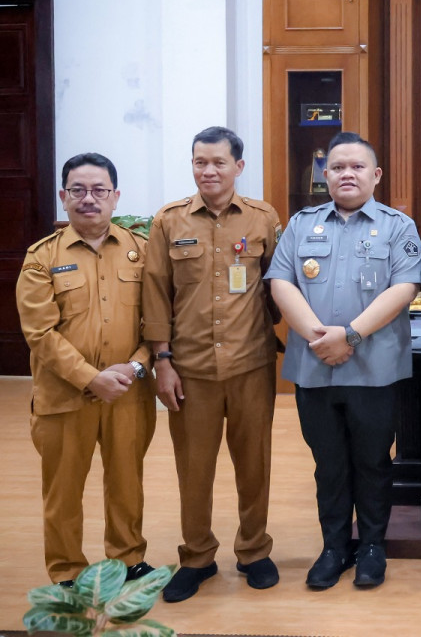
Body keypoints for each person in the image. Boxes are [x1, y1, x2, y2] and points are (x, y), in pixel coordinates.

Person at [267, 132, 421, 590]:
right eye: (337, 167)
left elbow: (405, 287)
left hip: (375, 369)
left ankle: (372, 546)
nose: (347, 174)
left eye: (357, 167)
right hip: (315, 367)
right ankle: (334, 547)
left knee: (373, 462)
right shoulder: (301, 225)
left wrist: (349, 335)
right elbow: (281, 283)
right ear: (325, 174)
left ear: (376, 175)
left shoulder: (397, 226)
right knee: (329, 463)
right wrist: (320, 338)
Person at [142, 126, 282, 602]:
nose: (208, 171)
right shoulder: (169, 221)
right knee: (194, 469)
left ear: (238, 167)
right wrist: (162, 360)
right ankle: (197, 557)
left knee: (254, 464)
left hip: (251, 364)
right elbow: (155, 294)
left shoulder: (263, 218)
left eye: (219, 162)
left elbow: (278, 285)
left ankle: (254, 550)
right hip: (190, 368)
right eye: (200, 162)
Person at [16, 153, 156, 587]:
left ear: (116, 196)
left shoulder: (141, 251)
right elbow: (40, 333)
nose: (89, 199)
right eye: (78, 190)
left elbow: (158, 321)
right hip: (64, 397)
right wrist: (90, 377)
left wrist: (135, 368)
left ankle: (128, 559)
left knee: (127, 484)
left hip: (127, 393)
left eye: (99, 190)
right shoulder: (41, 257)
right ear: (64, 197)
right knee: (62, 491)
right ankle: (66, 571)